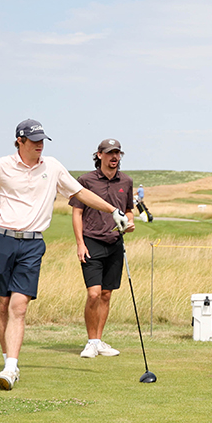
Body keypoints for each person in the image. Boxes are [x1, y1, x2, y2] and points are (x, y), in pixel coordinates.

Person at [0, 119, 130, 390]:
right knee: (2, 303)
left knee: (19, 306)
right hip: (3, 240)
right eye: (34, 140)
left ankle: (10, 368)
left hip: (33, 244)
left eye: (42, 140)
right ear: (19, 141)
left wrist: (112, 210)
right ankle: (7, 360)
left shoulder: (53, 167)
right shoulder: (1, 166)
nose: (39, 145)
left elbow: (81, 192)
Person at [71, 138, 136, 359]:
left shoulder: (126, 181)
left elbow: (128, 209)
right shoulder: (86, 181)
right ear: (99, 155)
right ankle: (91, 341)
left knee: (106, 295)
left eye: (117, 153)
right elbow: (77, 212)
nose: (114, 157)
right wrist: (80, 243)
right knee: (94, 294)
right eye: (109, 153)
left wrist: (130, 221)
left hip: (115, 242)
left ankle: (98, 341)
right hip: (91, 241)